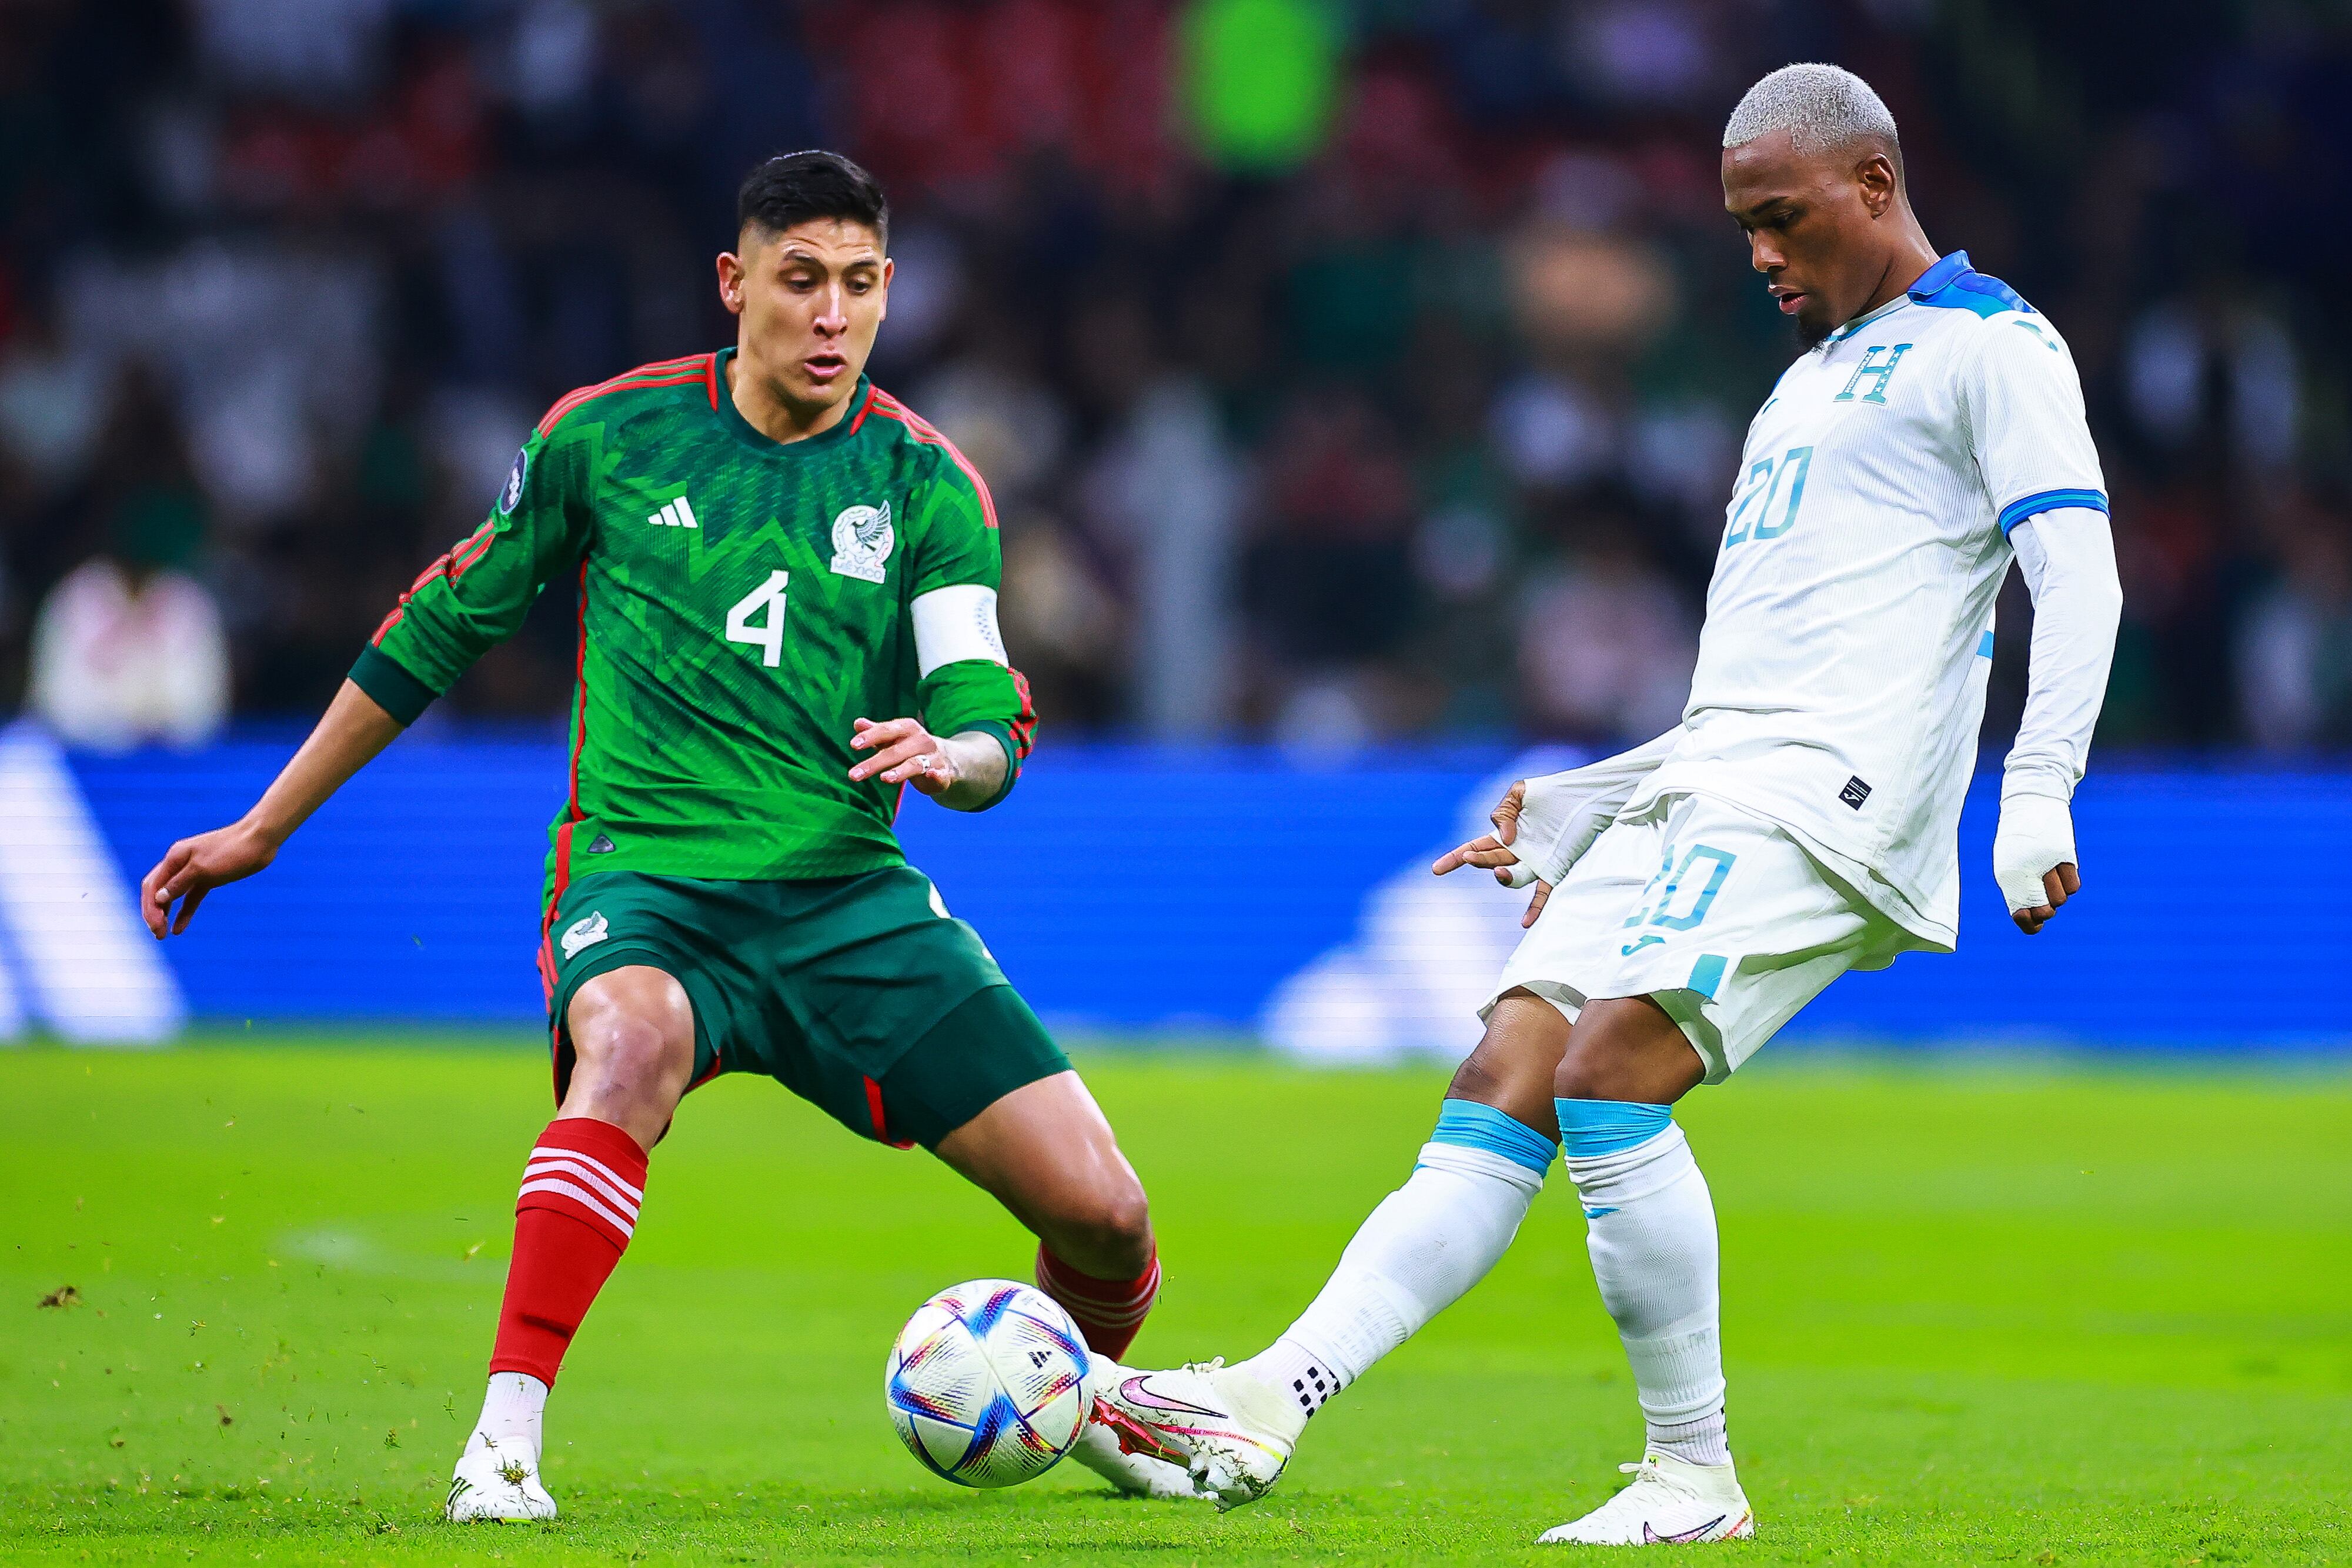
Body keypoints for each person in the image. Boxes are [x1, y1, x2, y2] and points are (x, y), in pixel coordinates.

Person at [1090, 63, 2123, 1546]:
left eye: (1779, 217)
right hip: (1715, 776)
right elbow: (1758, 674)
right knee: (1505, 1070)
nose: (1757, 253)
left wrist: (2035, 790)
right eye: (1740, 226)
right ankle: (1269, 1396)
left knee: (1608, 1069)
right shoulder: (1803, 383)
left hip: (1823, 801)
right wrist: (1595, 797)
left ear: (1873, 185)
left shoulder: (1994, 346)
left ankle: (1690, 1475)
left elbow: (2074, 572)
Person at [138, 151, 1197, 1520]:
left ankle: (1080, 1406)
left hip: (844, 896)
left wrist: (959, 757)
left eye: (859, 284)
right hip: (646, 880)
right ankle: (503, 1442)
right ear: (733, 283)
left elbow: (983, 704)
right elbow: (439, 623)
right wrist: (264, 825)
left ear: (888, 291)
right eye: (800, 280)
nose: (831, 315)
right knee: (628, 1044)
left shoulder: (928, 484)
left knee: (1106, 1214)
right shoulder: (608, 438)